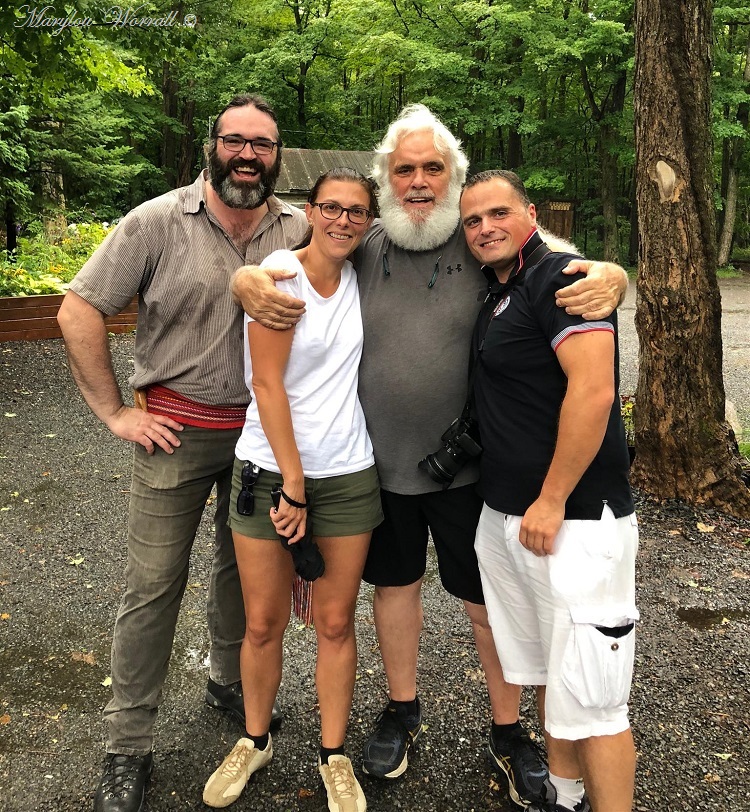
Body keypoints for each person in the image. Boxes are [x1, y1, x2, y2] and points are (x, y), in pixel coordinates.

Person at [233, 104, 629, 807]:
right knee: (396, 590)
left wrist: (617, 273)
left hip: (469, 470)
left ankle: (508, 731)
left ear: (455, 177)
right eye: (405, 168)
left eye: (432, 168)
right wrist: (245, 281)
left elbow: (566, 264)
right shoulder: (367, 243)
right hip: (377, 468)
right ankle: (401, 708)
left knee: (486, 604)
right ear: (388, 178)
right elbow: (285, 262)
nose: (418, 181)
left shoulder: (483, 243)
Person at [57, 94, 307, 812]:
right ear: (212, 146)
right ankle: (127, 745)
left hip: (263, 436)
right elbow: (79, 308)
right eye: (235, 141)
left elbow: (394, 257)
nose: (248, 155)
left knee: (244, 575)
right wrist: (114, 412)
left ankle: (227, 682)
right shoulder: (156, 221)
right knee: (153, 587)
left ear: (277, 154)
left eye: (262, 144)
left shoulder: (298, 226)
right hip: (175, 429)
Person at [202, 168, 383, 811]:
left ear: (369, 220)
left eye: (356, 211)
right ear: (310, 210)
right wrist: (294, 484)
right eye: (330, 208)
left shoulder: (366, 275)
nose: (341, 220)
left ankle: (333, 755)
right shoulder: (280, 273)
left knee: (336, 623)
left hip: (348, 471)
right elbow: (267, 386)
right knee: (262, 622)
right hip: (269, 471)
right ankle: (255, 740)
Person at [461, 170, 638, 812]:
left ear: (530, 212)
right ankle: (563, 796)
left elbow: (594, 391)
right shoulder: (498, 291)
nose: (486, 228)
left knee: (595, 700)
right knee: (547, 678)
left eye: (499, 213)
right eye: (473, 220)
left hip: (575, 522)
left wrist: (554, 497)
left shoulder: (560, 278)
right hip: (509, 518)